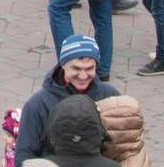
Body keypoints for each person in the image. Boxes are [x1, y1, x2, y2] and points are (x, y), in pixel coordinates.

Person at [13, 35, 121, 167]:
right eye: (76, 68)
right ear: (63, 65)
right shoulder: (38, 104)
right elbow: (24, 156)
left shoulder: (111, 96)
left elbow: (127, 144)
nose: (83, 76)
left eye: (89, 68)